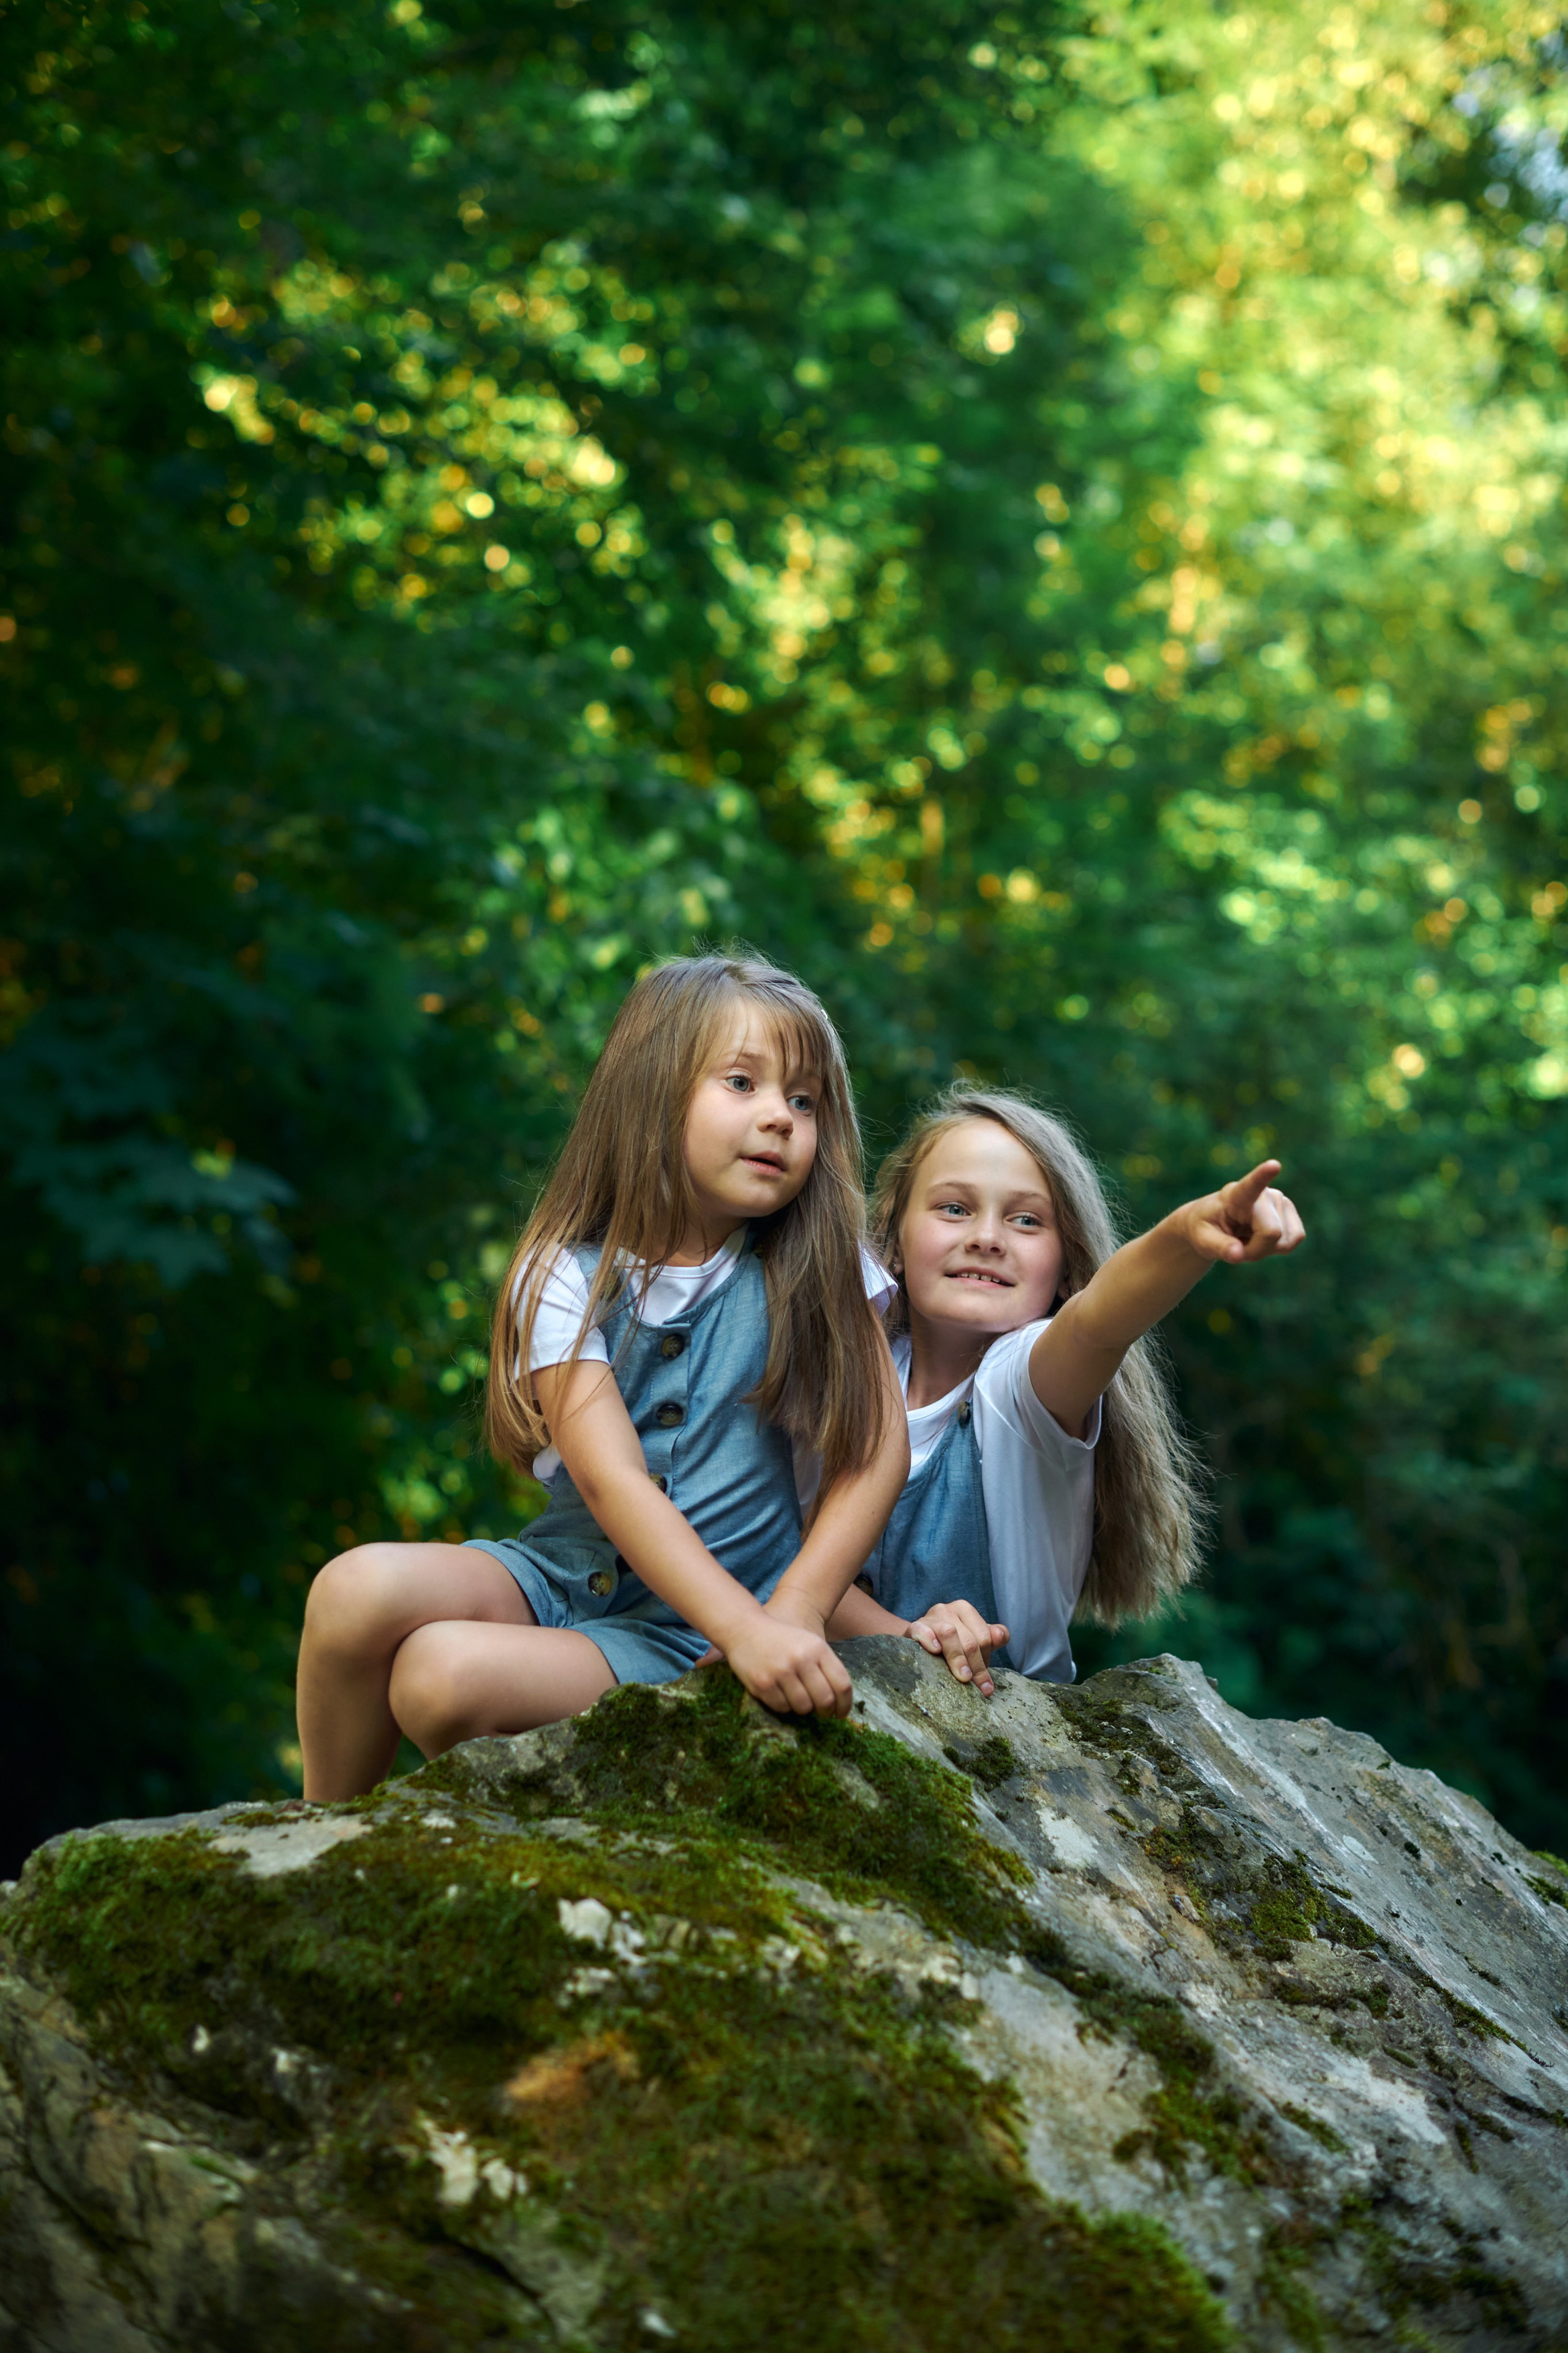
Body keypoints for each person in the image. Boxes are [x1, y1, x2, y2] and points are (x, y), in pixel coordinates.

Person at [296, 953, 908, 1800]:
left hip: (693, 1632)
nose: (780, 1118)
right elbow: (613, 1479)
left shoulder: (815, 1267)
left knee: (439, 1679)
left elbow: (878, 1453)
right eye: (744, 1083)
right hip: (559, 1575)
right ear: (654, 1092)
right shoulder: (563, 1274)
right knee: (351, 1590)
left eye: (804, 1101)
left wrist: (786, 1618)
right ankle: (316, 1839)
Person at [827, 1086, 1305, 1698]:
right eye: (953, 1208)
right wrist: (906, 1634)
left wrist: (1187, 1235)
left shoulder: (1017, 1386)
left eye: (1026, 1219)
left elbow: (1097, 1324)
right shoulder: (850, 1375)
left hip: (1006, 1742)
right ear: (892, 1241)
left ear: (1066, 1270)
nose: (988, 1237)